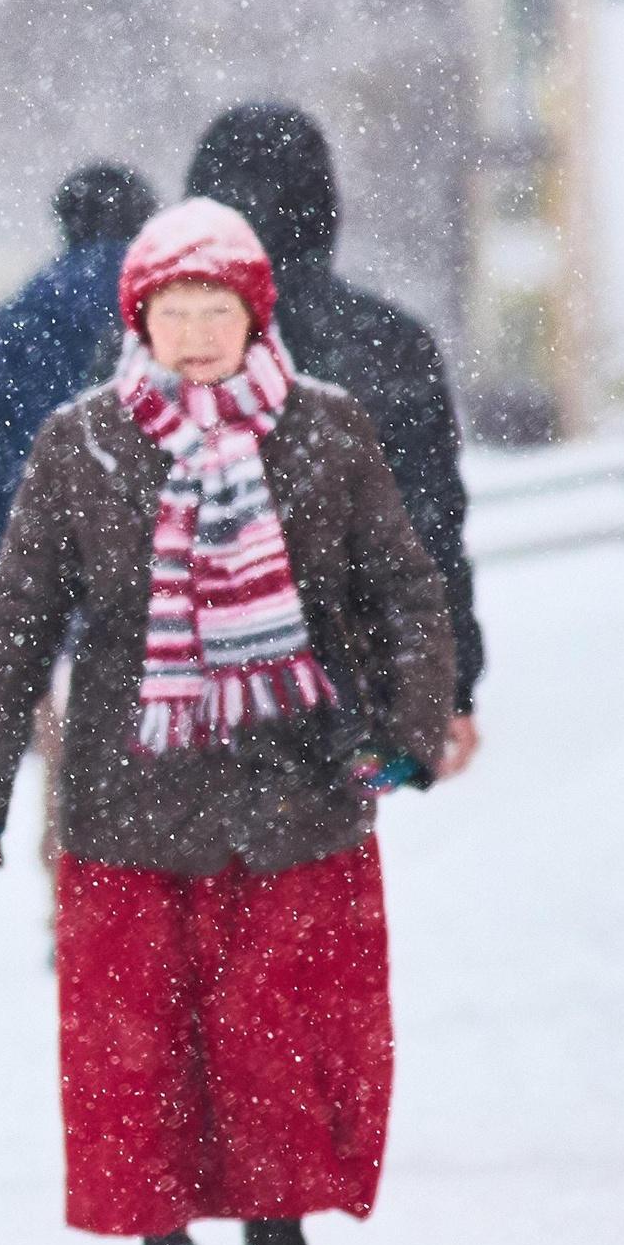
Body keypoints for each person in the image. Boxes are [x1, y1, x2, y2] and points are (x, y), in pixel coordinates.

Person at [0, 199, 453, 1245]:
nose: (198, 334)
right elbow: (15, 628)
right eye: (176, 311)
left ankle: (279, 1240)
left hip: (291, 787)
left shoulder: (325, 431)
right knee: (138, 1051)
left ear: (256, 315)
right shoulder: (81, 443)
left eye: (219, 310)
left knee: (276, 1039)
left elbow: (402, 591)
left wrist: (410, 727)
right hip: (129, 794)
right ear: (140, 321)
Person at [186, 102, 484, 778]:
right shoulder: (387, 346)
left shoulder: (149, 353)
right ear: (323, 208)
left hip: (176, 704)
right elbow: (428, 529)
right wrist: (448, 682)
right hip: (334, 704)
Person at [0, 161, 161, 590]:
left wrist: (4, 543)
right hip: (158, 577)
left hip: (29, 575)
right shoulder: (188, 325)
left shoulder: (5, 330)